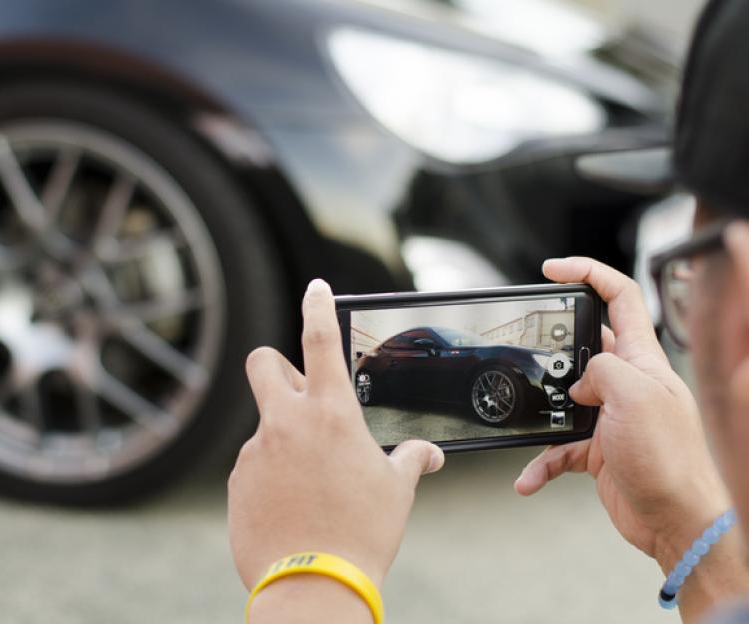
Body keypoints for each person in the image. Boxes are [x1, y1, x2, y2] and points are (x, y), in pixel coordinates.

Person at [227, 0, 749, 622]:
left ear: (736, 309)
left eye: (683, 264)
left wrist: (311, 570)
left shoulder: (471, 353)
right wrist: (684, 524)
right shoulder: (411, 349)